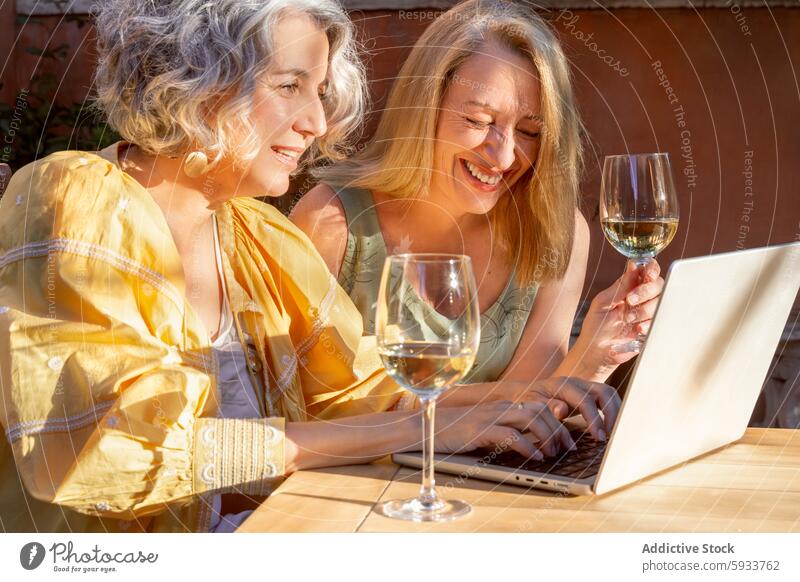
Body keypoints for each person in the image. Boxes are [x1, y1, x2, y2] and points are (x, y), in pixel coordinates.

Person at [0, 0, 609, 533]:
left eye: (318, 91)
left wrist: (531, 399)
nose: (318, 121)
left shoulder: (257, 235)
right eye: (290, 86)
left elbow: (367, 396)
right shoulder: (74, 198)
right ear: (199, 80)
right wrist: (417, 433)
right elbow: (106, 454)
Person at [291, 0, 665, 395]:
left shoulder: (555, 230)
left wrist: (594, 355)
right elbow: (305, 408)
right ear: (425, 108)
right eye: (478, 121)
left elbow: (527, 413)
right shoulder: (330, 222)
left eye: (529, 132)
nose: (504, 156)